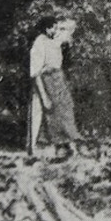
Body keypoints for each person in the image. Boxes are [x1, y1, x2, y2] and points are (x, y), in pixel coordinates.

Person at [29, 15, 82, 158]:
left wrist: (66, 32)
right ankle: (57, 146)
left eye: (59, 28)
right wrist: (44, 96)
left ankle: (69, 144)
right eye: (54, 28)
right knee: (52, 112)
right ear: (47, 29)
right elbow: (36, 73)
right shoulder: (40, 42)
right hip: (48, 80)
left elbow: (69, 29)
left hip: (58, 79)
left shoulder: (53, 41)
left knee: (66, 108)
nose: (57, 30)